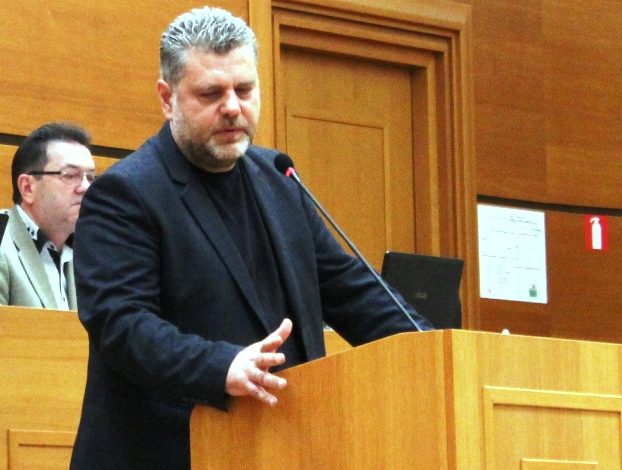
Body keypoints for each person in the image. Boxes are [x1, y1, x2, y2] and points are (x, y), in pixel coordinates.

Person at [70, 7, 431, 469]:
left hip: (278, 449)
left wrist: (434, 348)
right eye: (211, 93)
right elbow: (121, 325)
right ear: (167, 98)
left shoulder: (279, 178)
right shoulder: (127, 193)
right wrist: (221, 366)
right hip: (171, 453)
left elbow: (351, 291)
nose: (232, 107)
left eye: (244, 89)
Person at [0, 122, 95, 309]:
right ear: (27, 188)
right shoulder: (2, 240)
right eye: (70, 175)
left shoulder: (91, 253)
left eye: (90, 177)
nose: (86, 187)